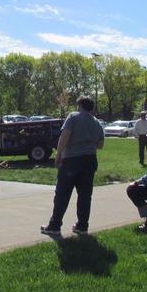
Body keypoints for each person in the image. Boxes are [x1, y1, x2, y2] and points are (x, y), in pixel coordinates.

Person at [41, 95, 104, 236]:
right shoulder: (97, 123)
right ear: (92, 107)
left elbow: (64, 136)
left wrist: (58, 156)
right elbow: (100, 145)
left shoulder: (73, 117)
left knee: (62, 194)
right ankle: (82, 226)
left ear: (80, 106)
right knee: (85, 195)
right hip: (90, 160)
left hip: (71, 160)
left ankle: (54, 226)